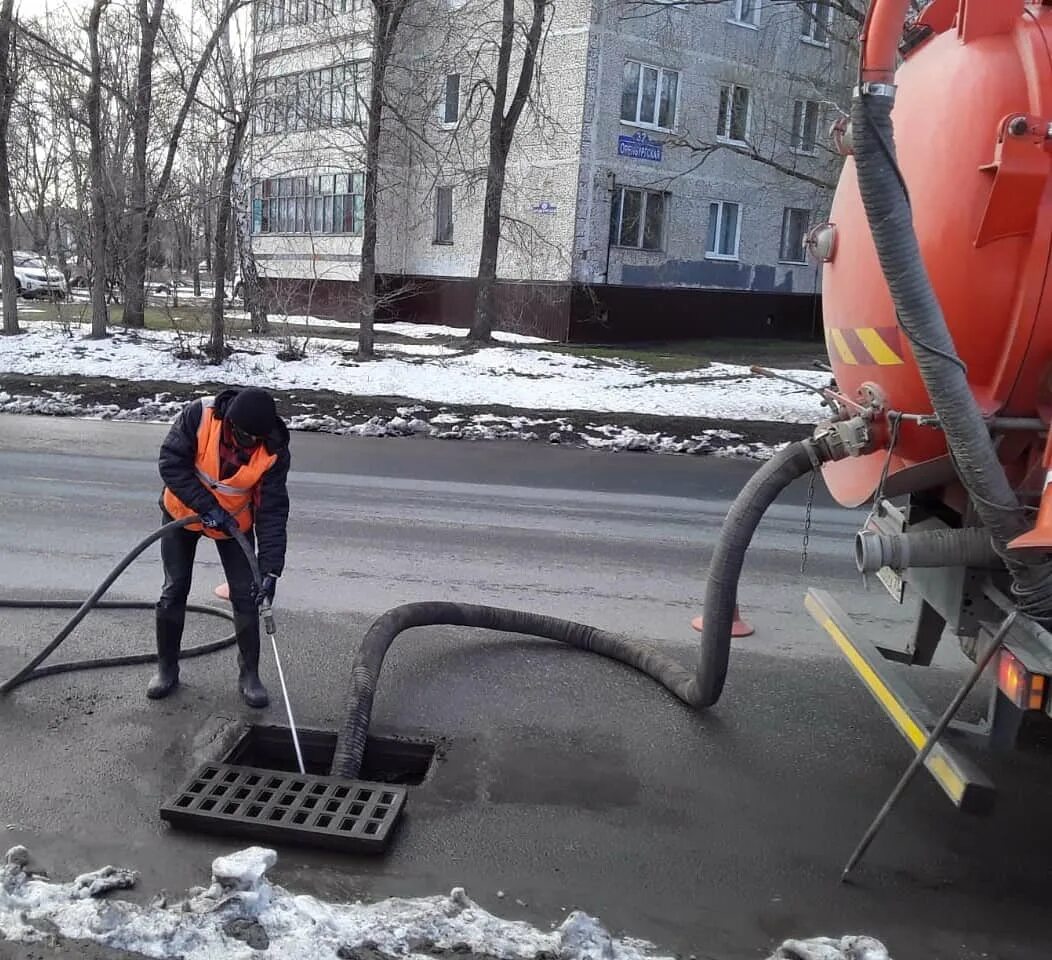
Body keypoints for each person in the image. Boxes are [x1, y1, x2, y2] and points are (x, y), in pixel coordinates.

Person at [149, 387, 290, 707]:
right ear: (229, 423)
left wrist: (270, 569)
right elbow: (171, 463)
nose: (248, 445)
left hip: (233, 527)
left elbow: (272, 511)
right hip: (181, 514)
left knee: (247, 594)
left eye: (255, 439)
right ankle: (167, 670)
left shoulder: (273, 449)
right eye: (243, 437)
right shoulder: (199, 415)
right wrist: (206, 506)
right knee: (174, 589)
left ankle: (250, 676)